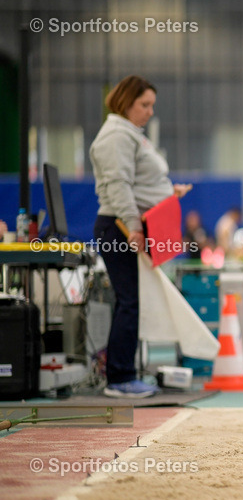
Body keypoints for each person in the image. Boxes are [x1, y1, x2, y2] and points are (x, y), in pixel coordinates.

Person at [90, 75, 192, 398]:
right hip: (118, 227)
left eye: (152, 106)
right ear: (126, 102)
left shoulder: (131, 135)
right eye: (144, 105)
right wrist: (133, 226)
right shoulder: (116, 136)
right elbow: (119, 186)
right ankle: (119, 378)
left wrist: (166, 192)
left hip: (127, 225)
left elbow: (137, 182)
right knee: (129, 302)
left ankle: (122, 372)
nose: (150, 112)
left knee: (132, 301)